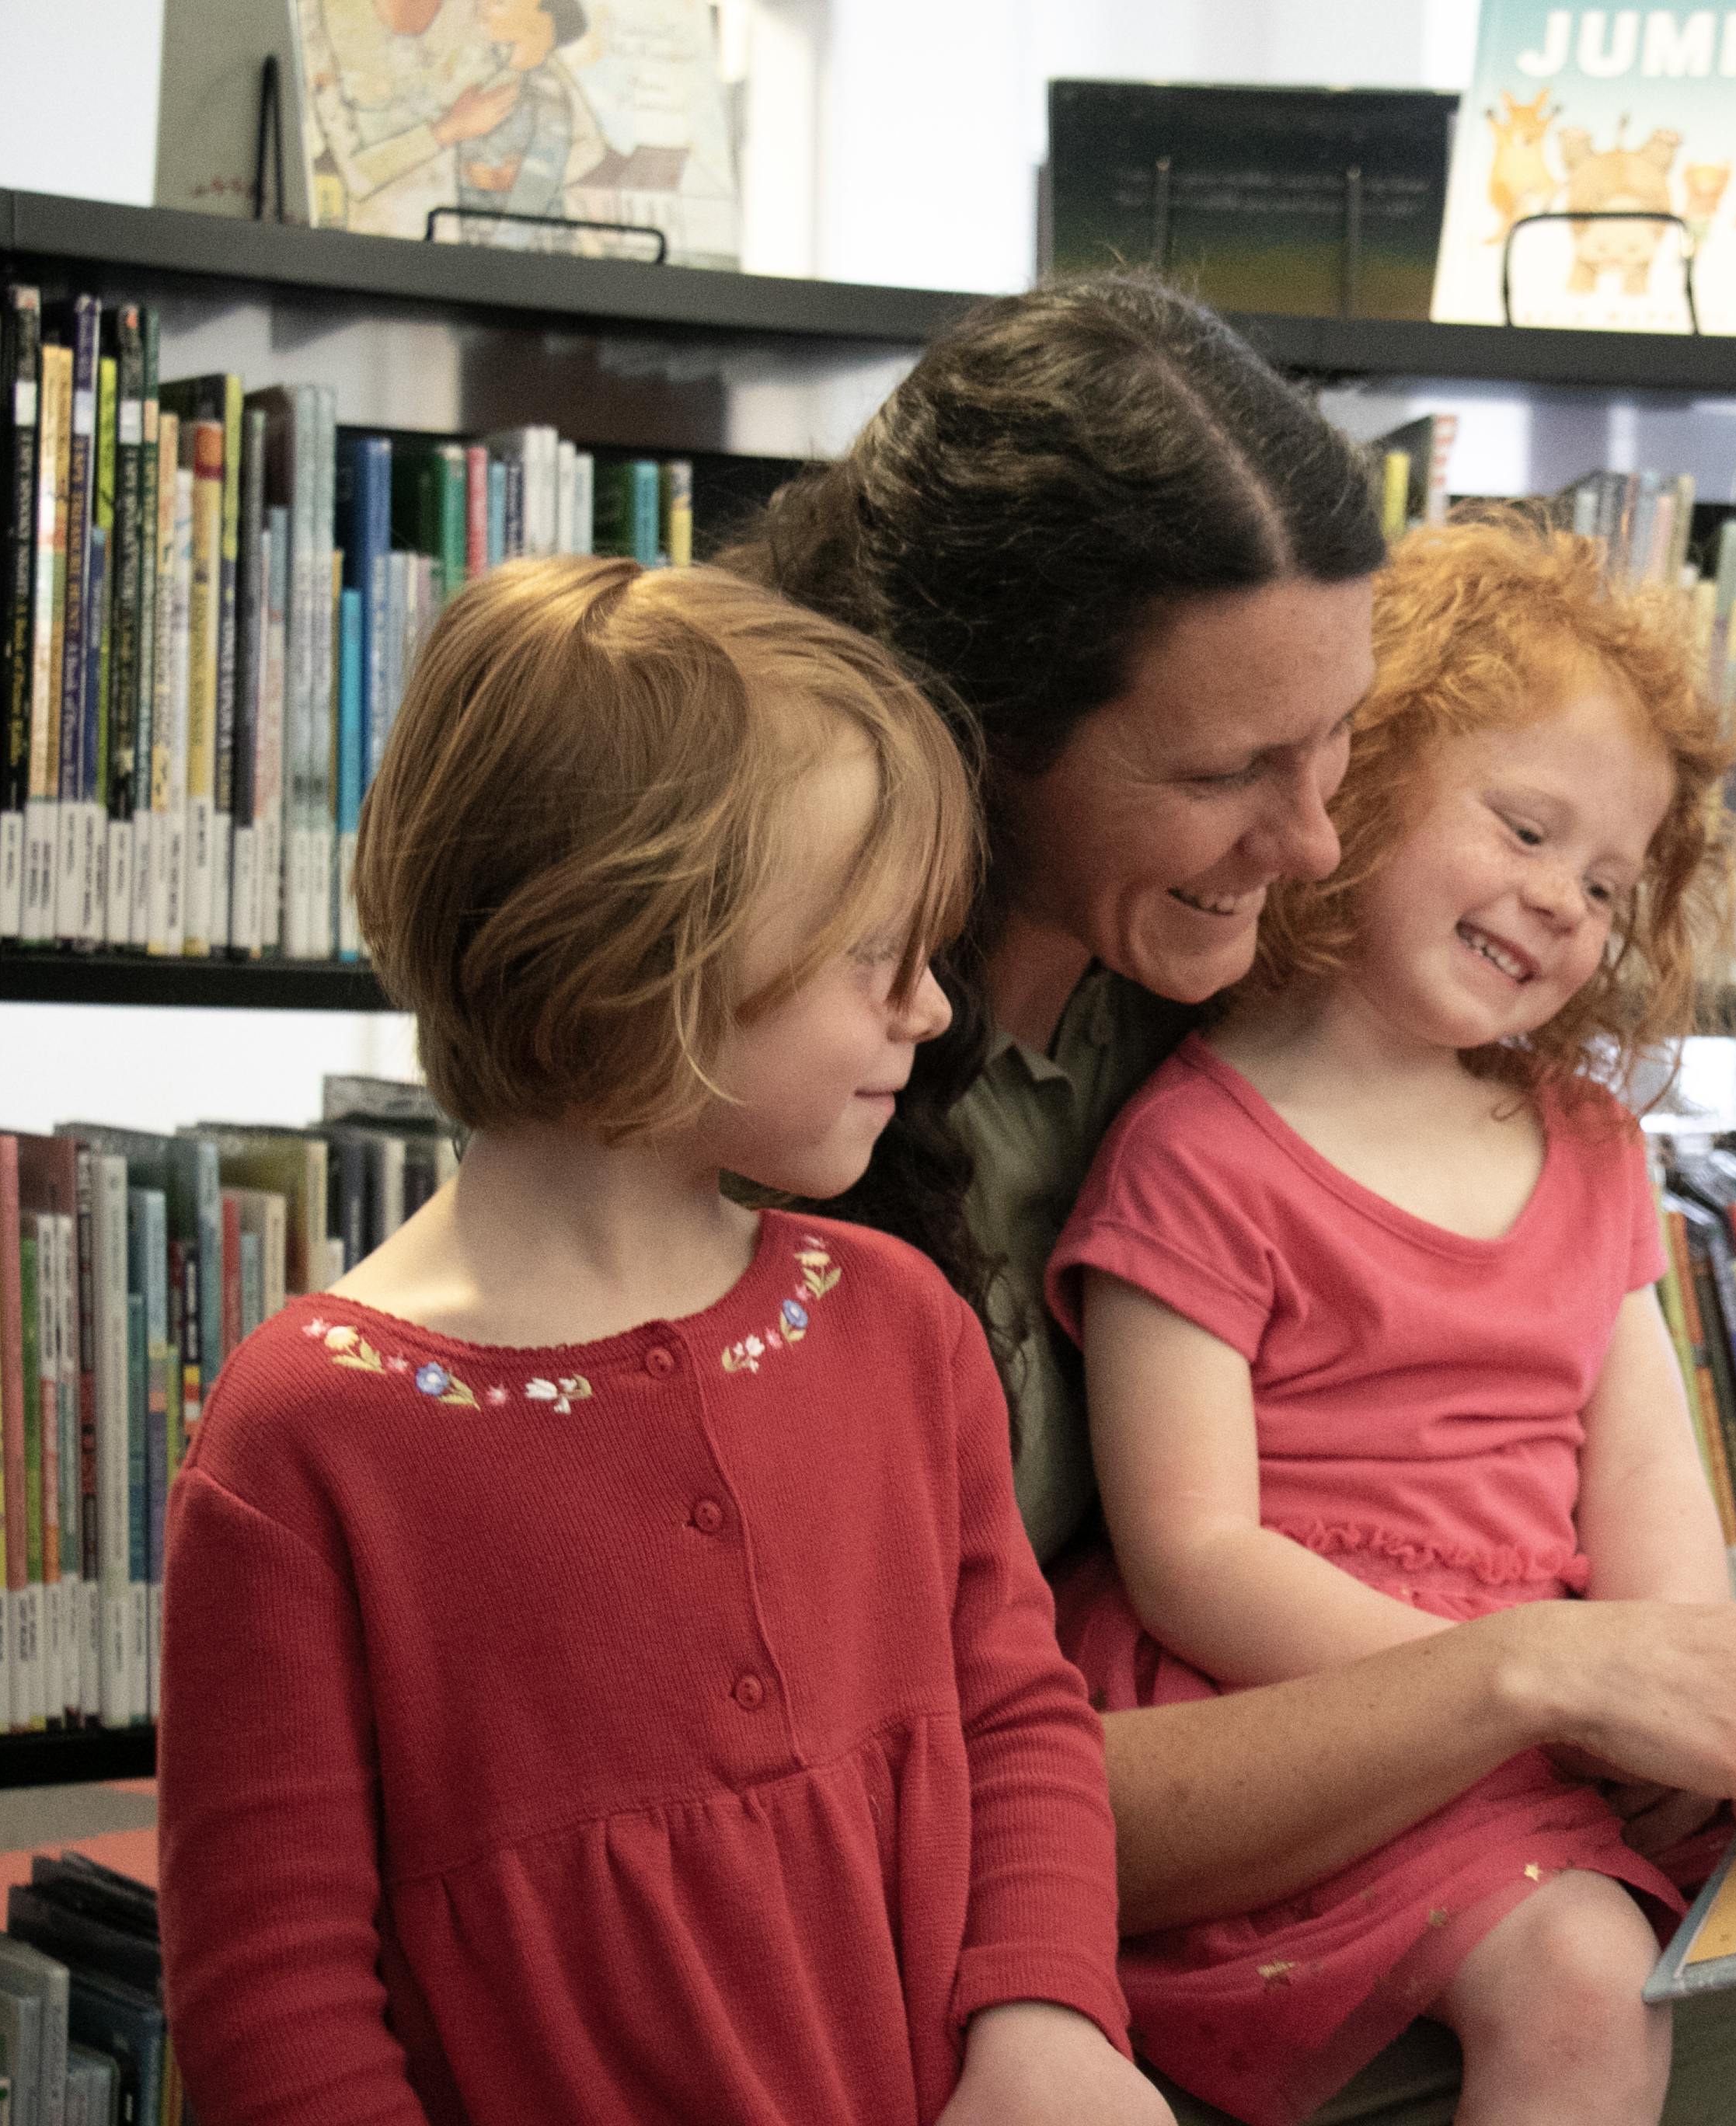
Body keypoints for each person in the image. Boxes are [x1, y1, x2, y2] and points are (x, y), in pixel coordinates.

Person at [729, 275, 1736, 2126]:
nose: (1309, 845)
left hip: (1461, 1780)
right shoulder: (806, 1131)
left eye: (1340, 745)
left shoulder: (1252, 1006)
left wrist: (1684, 1679)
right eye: (1227, 772)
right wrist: (1545, 1678)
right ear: (991, 741)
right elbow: (933, 1804)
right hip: (1111, 1901)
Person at [1051, 518, 1736, 2126]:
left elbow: (1647, 1488)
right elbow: (1192, 1558)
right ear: (1361, 777)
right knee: (1581, 1980)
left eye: (1608, 882)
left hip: (1593, 1711)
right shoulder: (1195, 1153)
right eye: (1526, 827)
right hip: (1319, 1721)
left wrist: (1687, 1692)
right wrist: (1529, 1687)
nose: (1564, 903)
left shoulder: (1584, 1147)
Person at [158, 558, 1170, 2126]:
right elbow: (273, 1996)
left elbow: (1020, 1723)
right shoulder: (310, 1437)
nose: (928, 1011)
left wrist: (1049, 2017)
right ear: (643, 955)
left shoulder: (899, 1324)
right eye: (869, 954)